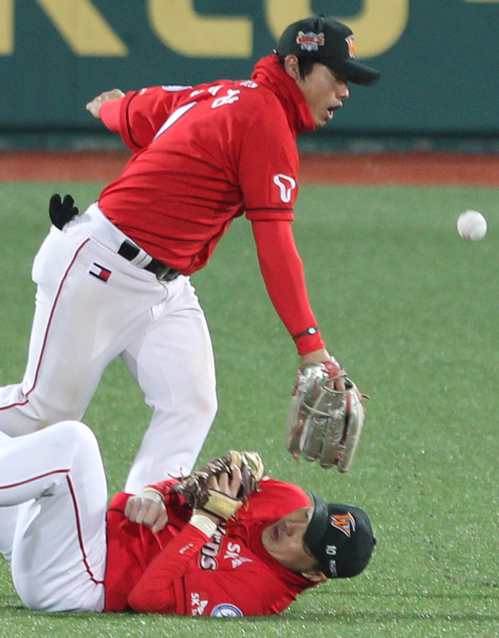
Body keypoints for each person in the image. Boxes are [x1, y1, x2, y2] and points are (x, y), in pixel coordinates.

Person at [0, 16, 380, 493]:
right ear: (293, 65)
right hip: (99, 266)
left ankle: (138, 522)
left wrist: (110, 111)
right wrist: (311, 349)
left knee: (191, 403)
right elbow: (276, 245)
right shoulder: (264, 120)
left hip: (165, 286)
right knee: (46, 411)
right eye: (337, 76)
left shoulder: (220, 93)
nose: (345, 91)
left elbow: (141, 111)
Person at [0, 421, 375, 616]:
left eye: (304, 539)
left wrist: (205, 522)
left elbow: (146, 599)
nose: (290, 525)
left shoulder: (256, 596)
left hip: (79, 580)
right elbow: (191, 490)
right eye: (308, 516)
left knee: (74, 444)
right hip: (82, 537)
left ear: (313, 574)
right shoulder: (286, 499)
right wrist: (160, 493)